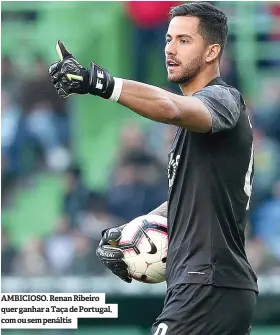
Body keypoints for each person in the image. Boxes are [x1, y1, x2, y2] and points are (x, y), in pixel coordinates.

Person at [49, 2, 258, 334]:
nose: (170, 49)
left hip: (205, 285)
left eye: (184, 40)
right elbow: (189, 203)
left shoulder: (223, 99)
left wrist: (100, 82)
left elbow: (170, 107)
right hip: (211, 287)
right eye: (167, 38)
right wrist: (131, 234)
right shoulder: (196, 131)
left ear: (211, 52)